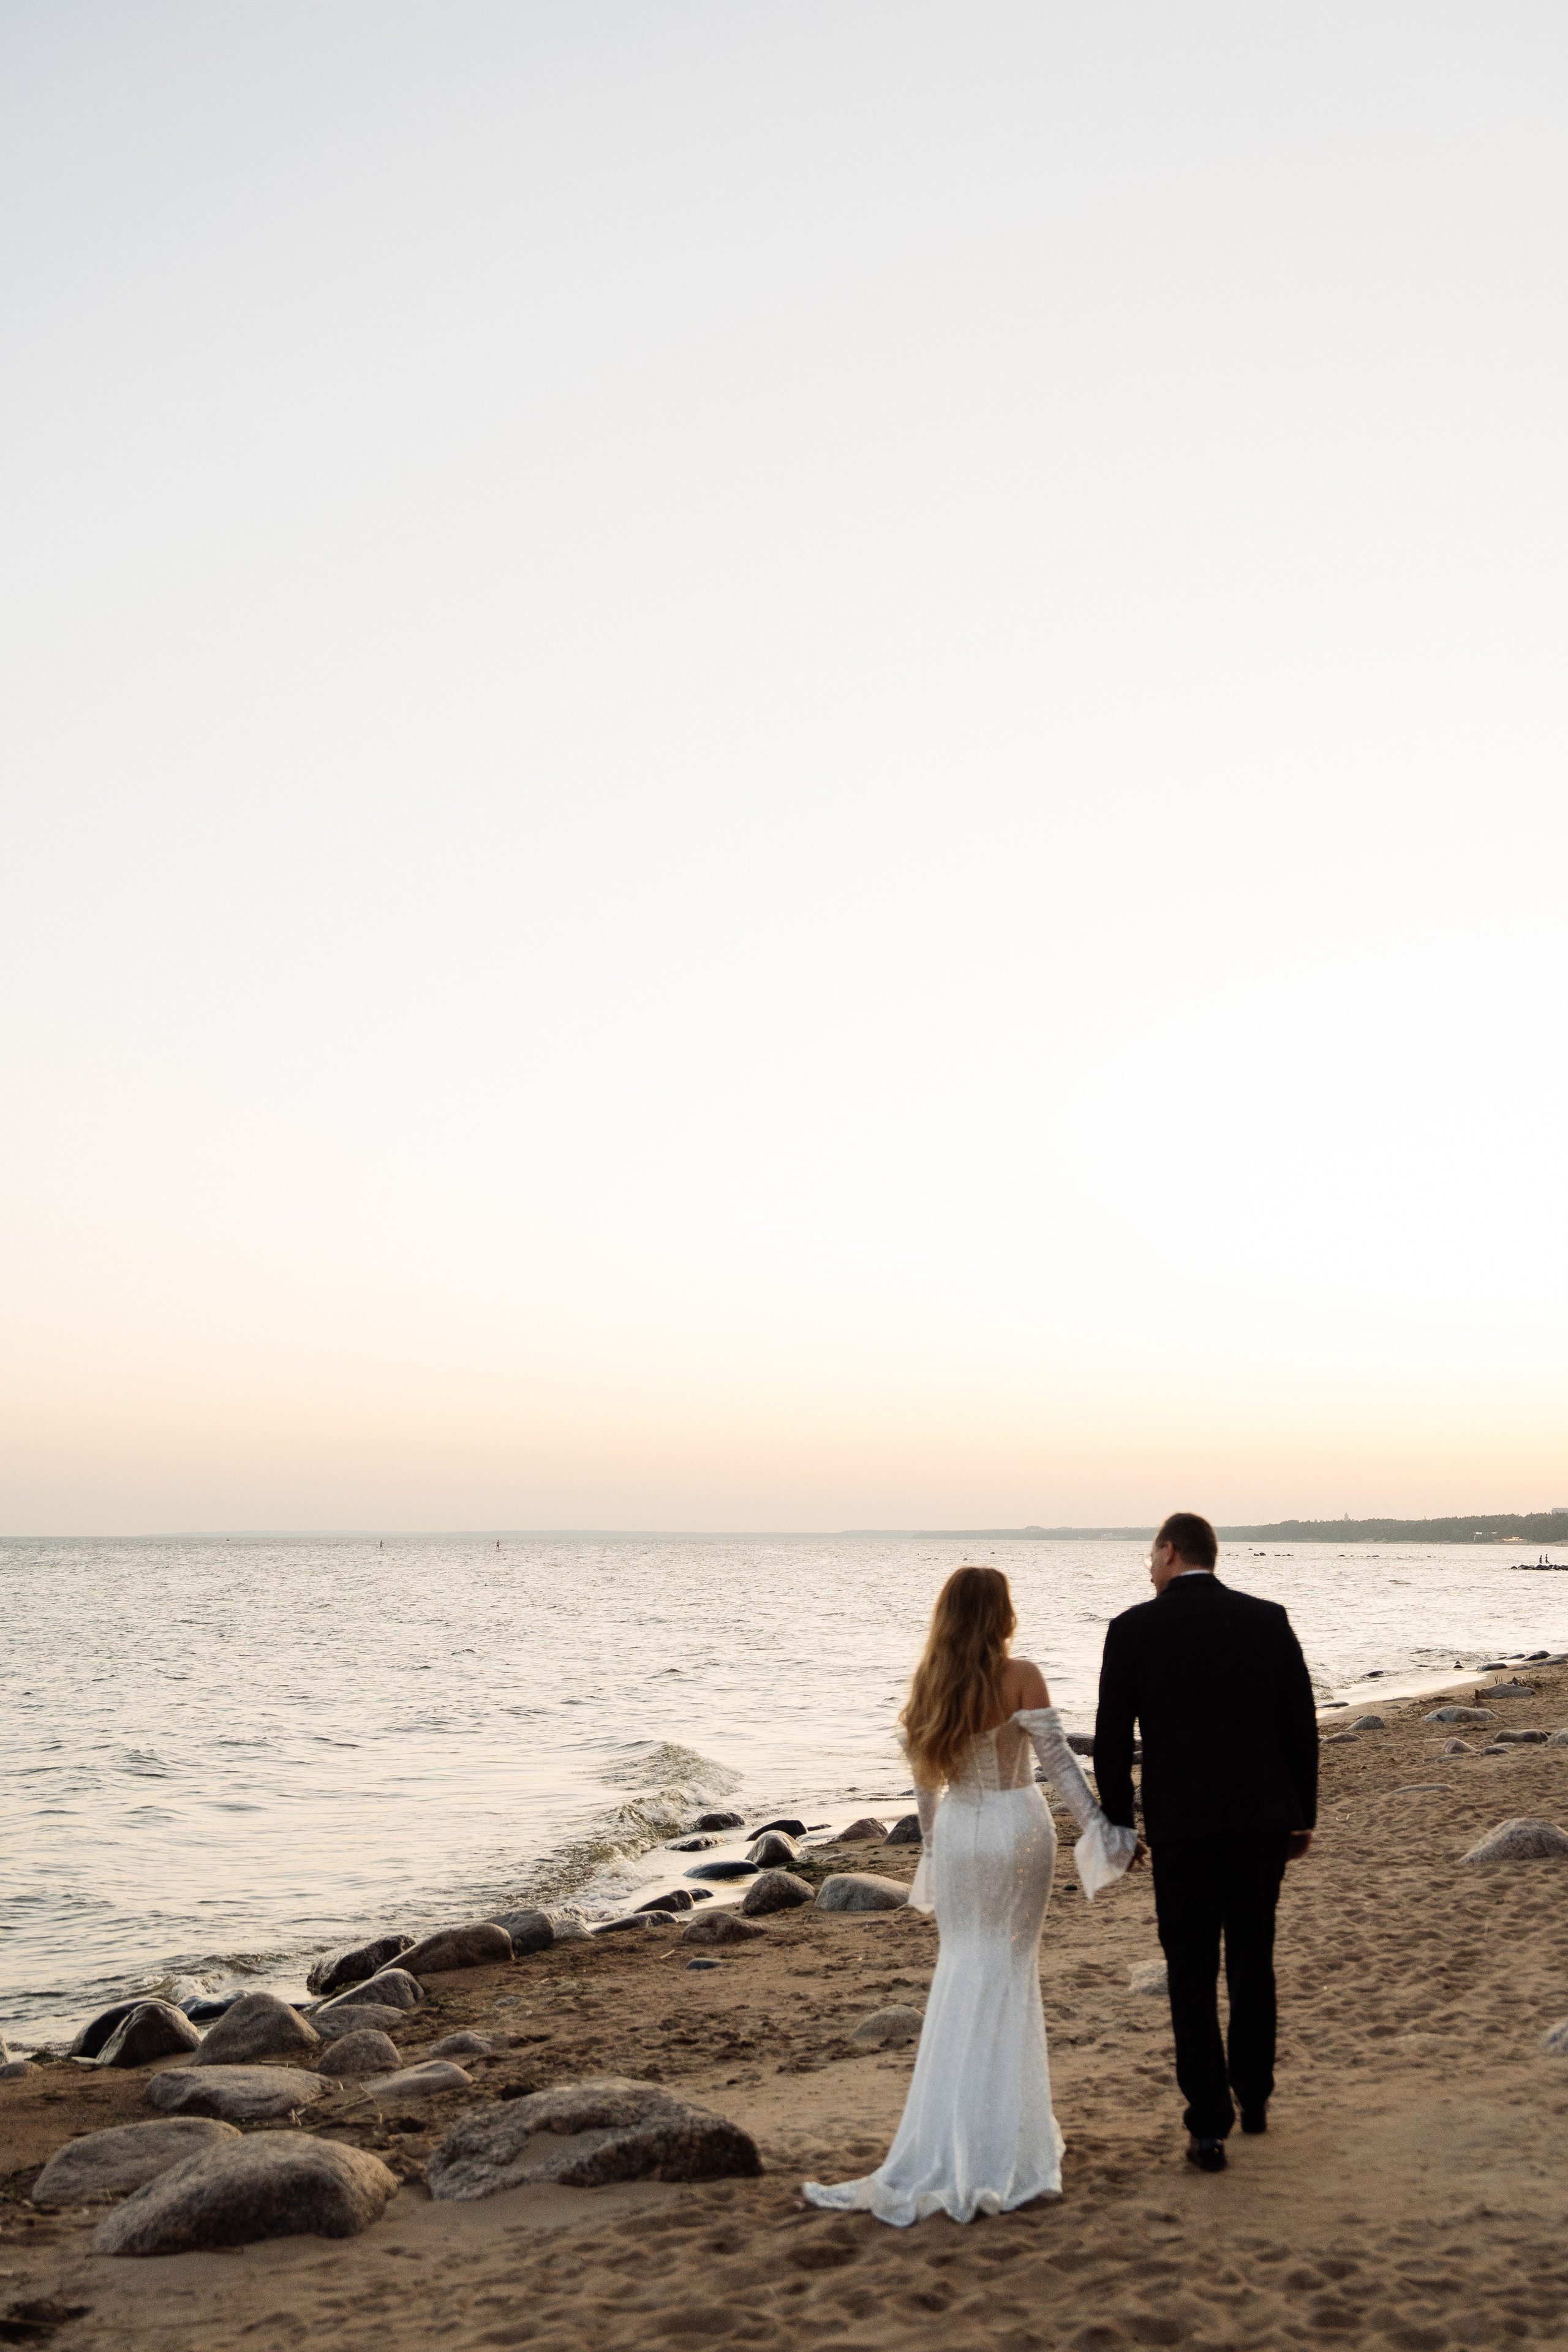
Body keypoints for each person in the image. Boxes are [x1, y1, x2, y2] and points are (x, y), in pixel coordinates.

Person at [802, 1564, 1140, 2225]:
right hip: (1017, 1826)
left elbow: (926, 1788)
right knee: (1009, 1971)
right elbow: (1059, 1766)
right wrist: (1104, 1830)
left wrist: (932, 1847)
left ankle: (952, 2136)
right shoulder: (1021, 1675)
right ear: (1000, 1613)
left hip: (959, 1832)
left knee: (962, 1968)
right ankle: (1002, 2145)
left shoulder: (931, 1683)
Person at [1093, 1513, 1318, 2174]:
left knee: (1189, 1972)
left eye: (1151, 1554)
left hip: (1182, 1826)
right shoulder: (1266, 1620)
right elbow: (1298, 1724)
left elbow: (1110, 1740)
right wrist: (1299, 1815)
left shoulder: (1132, 1629)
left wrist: (1118, 1825)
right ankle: (1254, 2096)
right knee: (1254, 1957)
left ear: (1169, 1551)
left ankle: (1208, 2126)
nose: (1148, 1566)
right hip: (1258, 1822)